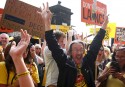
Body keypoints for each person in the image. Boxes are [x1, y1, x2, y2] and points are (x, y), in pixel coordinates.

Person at [38, 2, 109, 87]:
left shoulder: (87, 62)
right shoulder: (65, 63)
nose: (79, 53)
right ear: (70, 52)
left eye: (81, 50)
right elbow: (54, 46)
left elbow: (95, 45)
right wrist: (47, 23)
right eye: (76, 50)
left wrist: (104, 26)